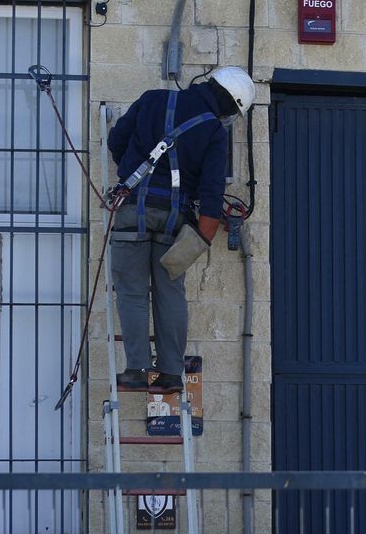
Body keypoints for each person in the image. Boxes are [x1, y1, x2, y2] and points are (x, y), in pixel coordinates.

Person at [105, 66, 254, 392]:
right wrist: (202, 236)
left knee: (131, 292)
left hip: (133, 211)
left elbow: (116, 141)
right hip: (175, 220)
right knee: (170, 292)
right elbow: (211, 192)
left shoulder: (152, 99)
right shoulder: (215, 131)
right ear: (231, 106)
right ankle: (171, 373)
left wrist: (132, 171)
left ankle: (137, 370)